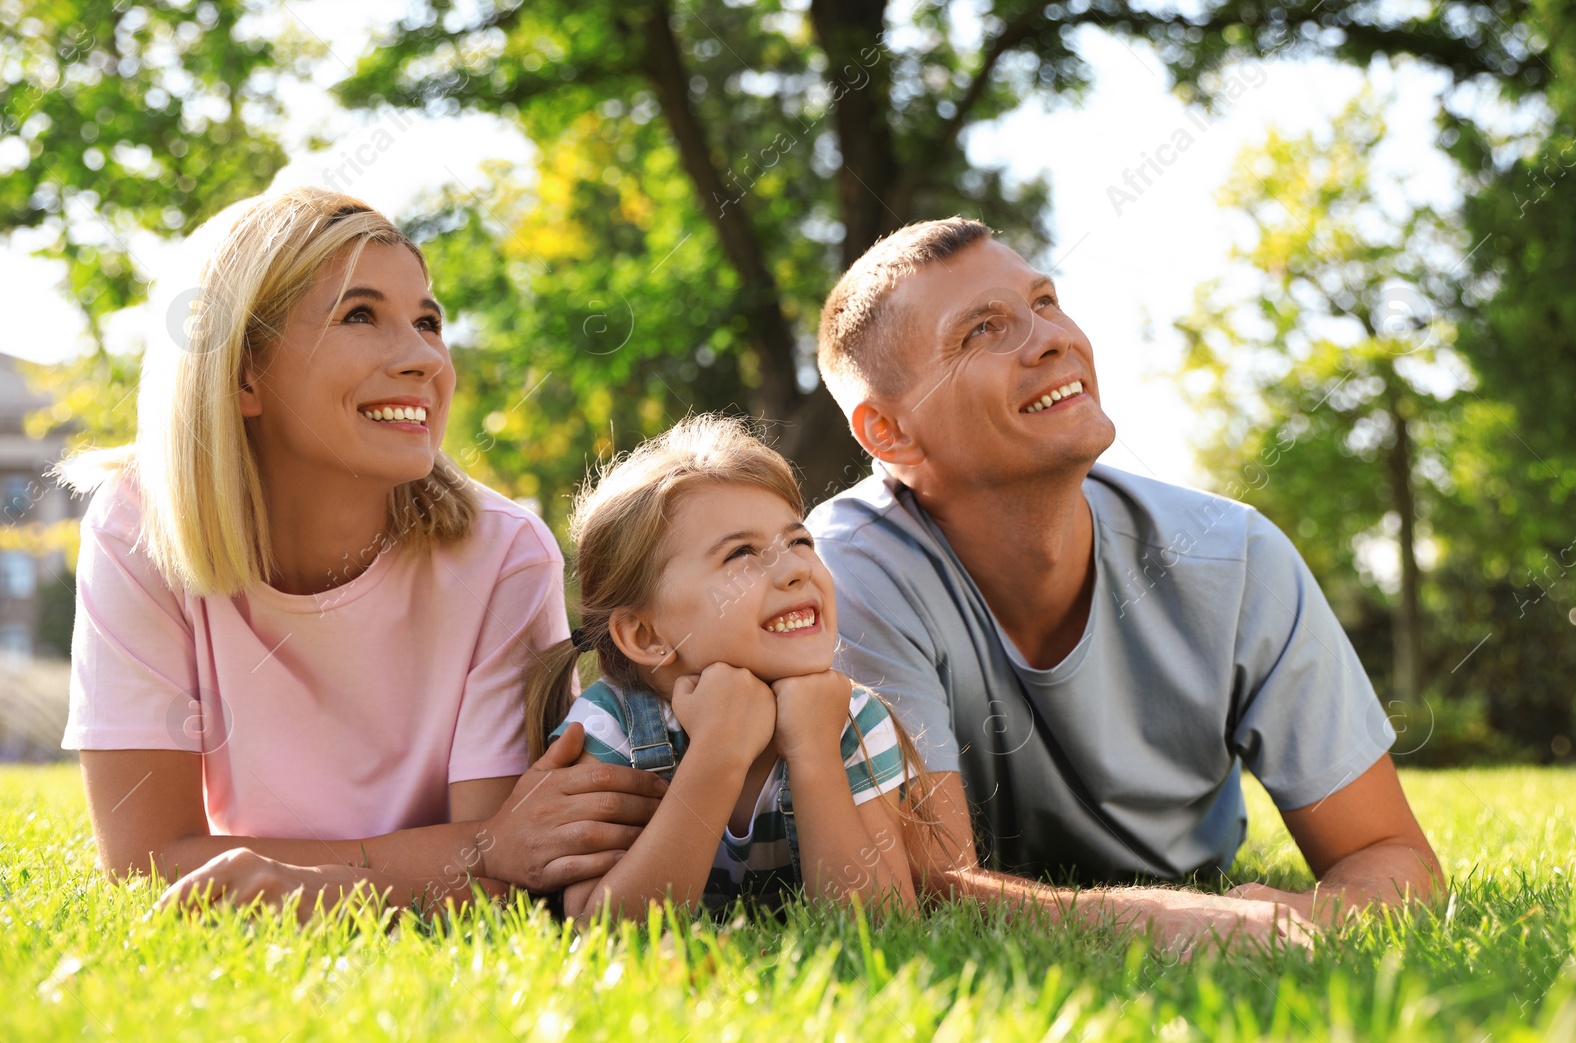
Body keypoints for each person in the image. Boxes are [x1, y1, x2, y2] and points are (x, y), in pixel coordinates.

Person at [806, 217, 1441, 944]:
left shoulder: (1234, 560)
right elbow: (932, 889)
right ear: (888, 433)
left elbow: (1390, 856)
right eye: (982, 330)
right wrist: (1183, 920)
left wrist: (1316, 915)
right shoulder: (847, 572)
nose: (1051, 337)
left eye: (1044, 302)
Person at [60, 187, 666, 919]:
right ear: (244, 374)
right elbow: (146, 863)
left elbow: (514, 872)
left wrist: (299, 886)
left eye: (428, 321)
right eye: (360, 314)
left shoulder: (505, 555)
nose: (422, 359)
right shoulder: (135, 528)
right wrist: (460, 855)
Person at [523, 415, 927, 921]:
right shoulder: (609, 729)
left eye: (799, 542)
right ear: (646, 635)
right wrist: (719, 753)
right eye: (742, 554)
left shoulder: (849, 718)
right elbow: (603, 933)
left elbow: (883, 928)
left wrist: (815, 753)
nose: (797, 568)